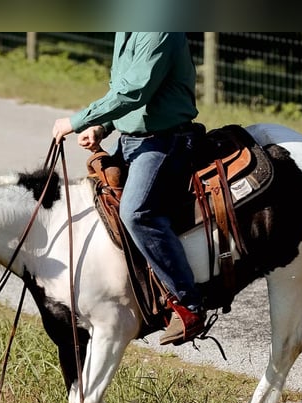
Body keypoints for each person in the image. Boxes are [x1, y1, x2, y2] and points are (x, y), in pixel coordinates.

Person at [52, 32, 204, 346]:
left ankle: (188, 304)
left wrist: (78, 120)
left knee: (136, 212)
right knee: (97, 196)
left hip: (164, 141)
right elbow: (122, 87)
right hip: (134, 140)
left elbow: (135, 91)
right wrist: (101, 126)